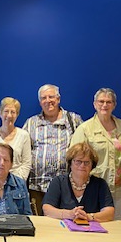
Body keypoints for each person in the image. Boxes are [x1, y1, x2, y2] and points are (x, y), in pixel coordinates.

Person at [70, 88, 121, 218]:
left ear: (114, 105)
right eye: (101, 101)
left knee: (118, 225)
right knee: (94, 224)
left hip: (120, 189)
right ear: (94, 104)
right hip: (95, 188)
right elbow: (74, 158)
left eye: (109, 102)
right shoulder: (85, 128)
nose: (104, 105)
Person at [22, 84, 82, 215]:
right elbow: (23, 151)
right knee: (39, 223)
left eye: (51, 97)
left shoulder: (74, 120)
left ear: (58, 99)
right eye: (44, 98)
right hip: (37, 188)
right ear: (40, 102)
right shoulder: (31, 123)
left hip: (66, 187)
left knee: (64, 222)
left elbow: (83, 150)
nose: (48, 100)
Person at [0, 97, 31, 181]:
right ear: (0, 113)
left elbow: (26, 164)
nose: (9, 115)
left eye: (13, 112)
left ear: (17, 115)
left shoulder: (24, 135)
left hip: (16, 183)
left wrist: (16, 182)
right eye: (6, 111)